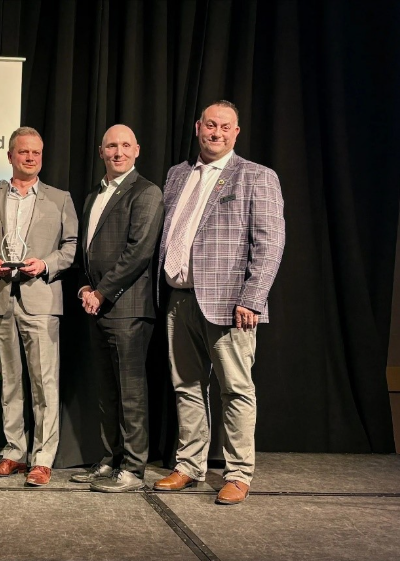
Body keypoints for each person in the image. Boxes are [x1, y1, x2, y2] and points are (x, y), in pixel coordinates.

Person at [153, 100, 285, 505]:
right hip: (180, 300)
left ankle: (238, 474)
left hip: (231, 305)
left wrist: (252, 299)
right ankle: (189, 466)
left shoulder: (256, 176)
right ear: (198, 127)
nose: (217, 133)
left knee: (236, 390)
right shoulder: (177, 175)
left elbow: (270, 245)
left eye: (226, 127)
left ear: (236, 132)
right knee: (186, 387)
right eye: (211, 125)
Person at [0, 127, 78, 486]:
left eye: (36, 153)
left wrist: (44, 264)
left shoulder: (60, 199)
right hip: (1, 299)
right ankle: (14, 451)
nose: (30, 158)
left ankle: (42, 459)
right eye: (23, 152)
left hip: (41, 301)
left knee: (45, 384)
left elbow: (71, 247)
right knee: (10, 383)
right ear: (10, 155)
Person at [71, 124, 164, 493]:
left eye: (125, 145)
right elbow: (86, 251)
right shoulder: (93, 196)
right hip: (97, 306)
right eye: (111, 146)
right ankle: (110, 459)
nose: (118, 152)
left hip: (128, 308)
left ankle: (133, 469)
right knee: (107, 393)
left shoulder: (146, 192)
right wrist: (84, 287)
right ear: (101, 151)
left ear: (137, 150)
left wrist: (102, 291)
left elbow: (139, 252)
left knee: (131, 393)